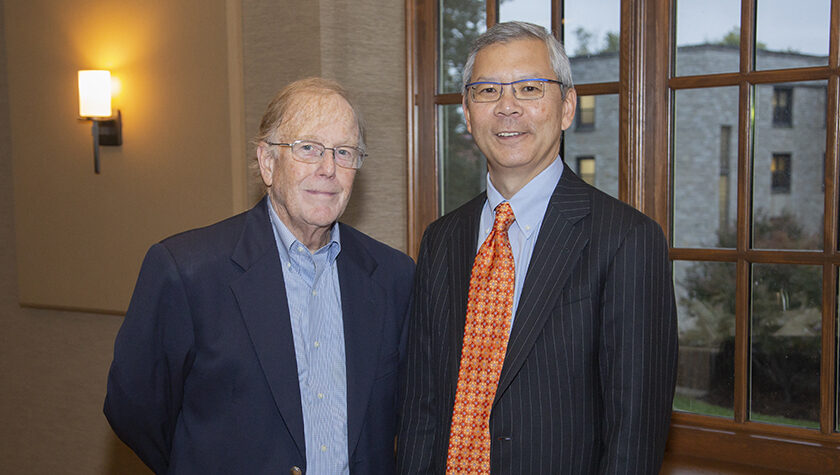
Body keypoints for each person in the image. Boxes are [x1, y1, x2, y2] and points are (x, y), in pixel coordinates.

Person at [397, 22, 678, 474]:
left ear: (567, 106)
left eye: (529, 88)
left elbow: (635, 433)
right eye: (487, 91)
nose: (508, 107)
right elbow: (422, 409)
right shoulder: (441, 239)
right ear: (467, 113)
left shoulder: (627, 239)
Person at [105, 77, 415, 474]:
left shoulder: (392, 276)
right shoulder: (186, 271)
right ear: (268, 162)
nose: (328, 169)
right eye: (308, 149)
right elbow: (135, 409)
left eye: (344, 152)